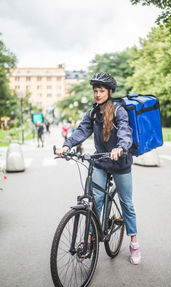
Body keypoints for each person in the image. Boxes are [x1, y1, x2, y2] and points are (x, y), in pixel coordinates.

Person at [56, 72, 141, 265]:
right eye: (95, 91)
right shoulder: (93, 112)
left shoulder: (119, 111)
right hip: (101, 162)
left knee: (127, 203)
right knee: (96, 200)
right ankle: (89, 238)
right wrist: (67, 146)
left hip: (120, 163)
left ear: (110, 92)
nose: (97, 94)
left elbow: (126, 133)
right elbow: (81, 130)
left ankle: (134, 243)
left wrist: (121, 147)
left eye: (101, 90)